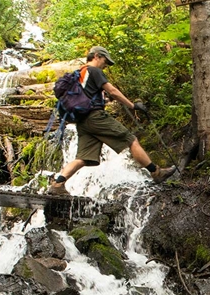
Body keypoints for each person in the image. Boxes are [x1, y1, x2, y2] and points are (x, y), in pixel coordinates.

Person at [48, 46, 176, 194]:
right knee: (131, 140)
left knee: (83, 158)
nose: (106, 65)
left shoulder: (79, 74)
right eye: (105, 61)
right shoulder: (94, 71)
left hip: (82, 122)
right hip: (95, 117)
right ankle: (156, 172)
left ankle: (58, 184)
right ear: (96, 56)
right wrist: (132, 105)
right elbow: (113, 91)